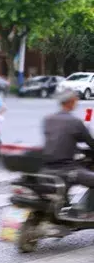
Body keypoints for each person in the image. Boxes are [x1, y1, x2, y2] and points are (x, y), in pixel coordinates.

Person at [42, 90, 94, 218]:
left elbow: (59, 139)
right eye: (76, 101)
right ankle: (88, 212)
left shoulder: (48, 119)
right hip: (66, 169)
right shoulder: (75, 122)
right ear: (71, 102)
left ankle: (66, 205)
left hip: (46, 167)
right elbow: (90, 142)